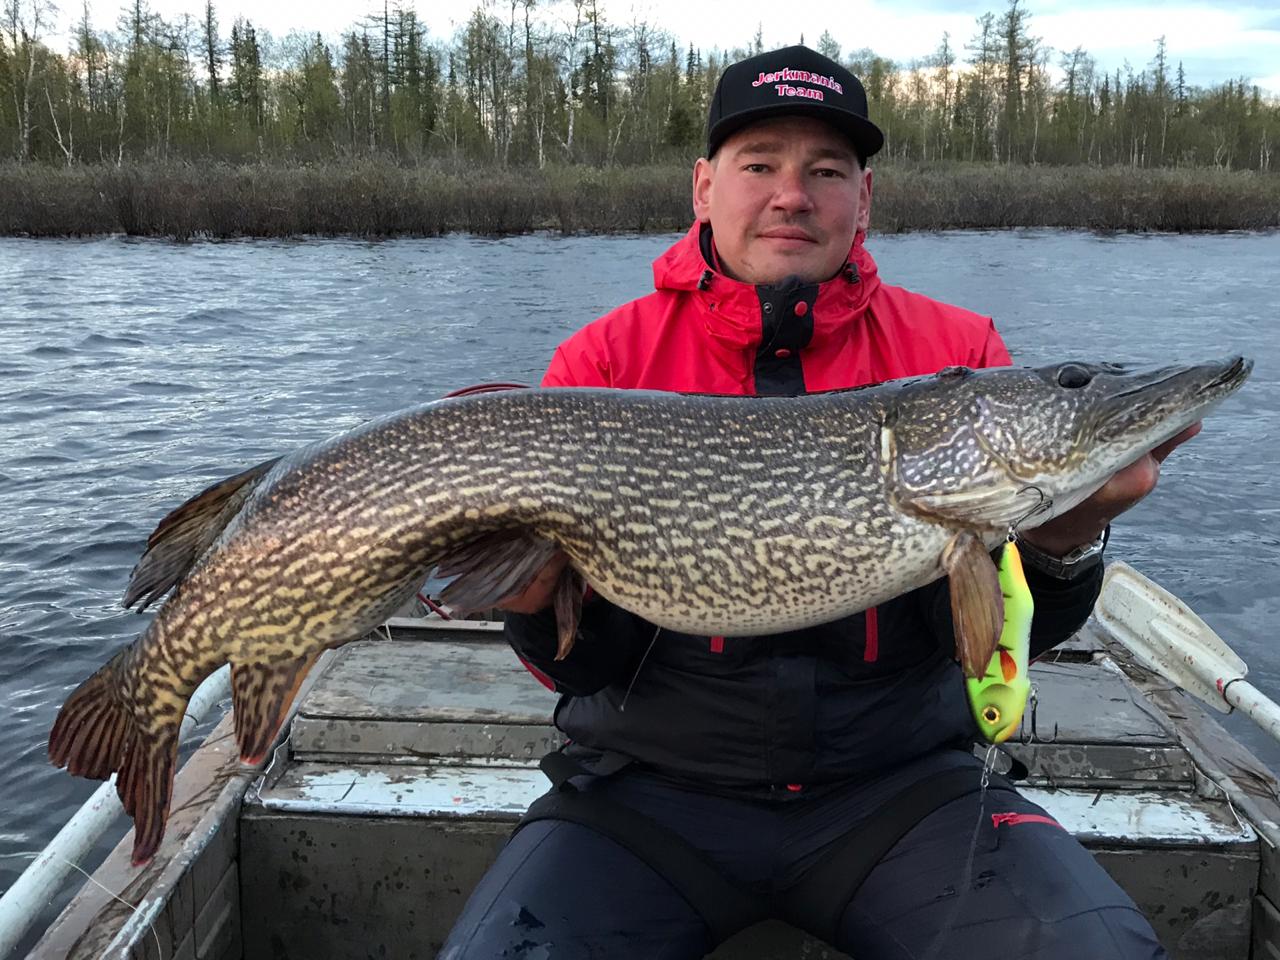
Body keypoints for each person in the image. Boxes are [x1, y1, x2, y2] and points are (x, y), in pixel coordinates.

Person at [440, 45, 1190, 960]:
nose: (792, 195)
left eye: (826, 171)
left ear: (863, 199)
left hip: (902, 794)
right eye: (760, 165)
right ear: (704, 187)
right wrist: (527, 601)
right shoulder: (602, 366)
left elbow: (993, 636)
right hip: (644, 795)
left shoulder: (957, 353)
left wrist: (1065, 539)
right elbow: (582, 669)